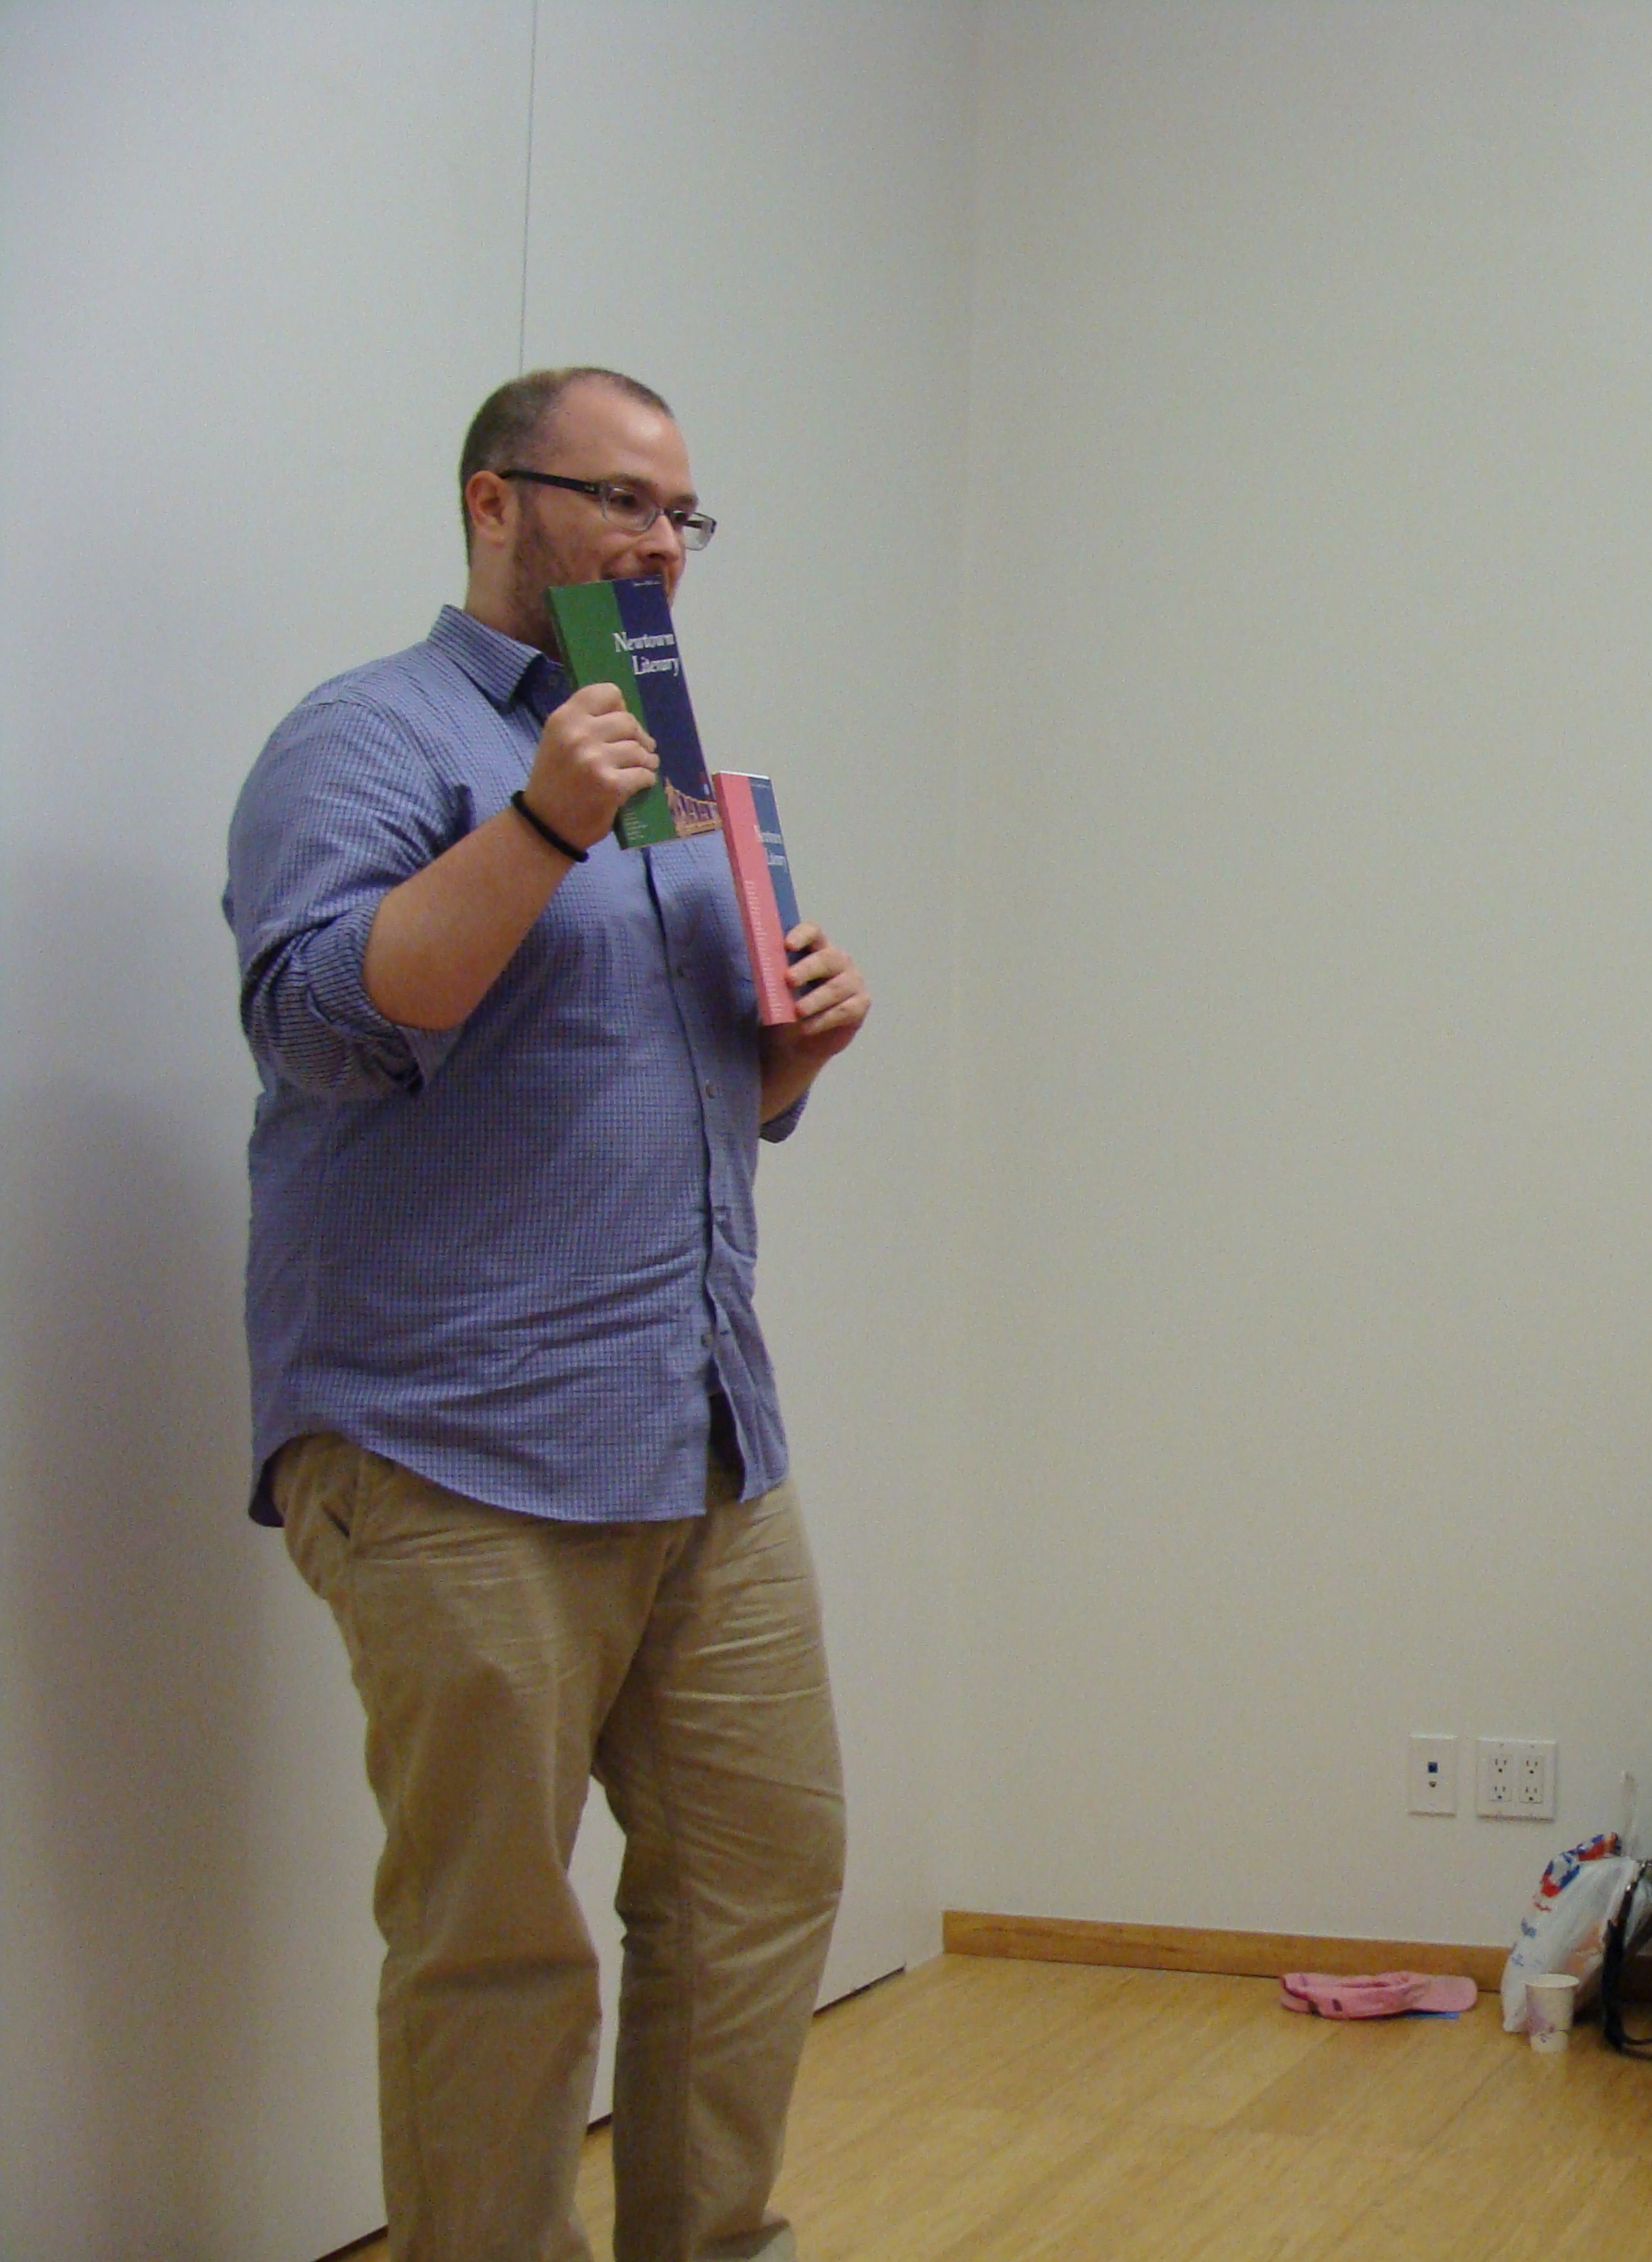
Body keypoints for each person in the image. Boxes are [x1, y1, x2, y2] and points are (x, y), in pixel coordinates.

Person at [225, 367, 872, 2262]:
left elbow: (661, 1087)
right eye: (617, 501)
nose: (658, 544)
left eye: (681, 514)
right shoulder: (364, 737)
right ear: (492, 501)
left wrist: (791, 1049)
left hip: (701, 1425)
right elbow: (328, 1028)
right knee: (495, 1938)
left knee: (760, 1880)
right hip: (454, 1441)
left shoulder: (670, 765)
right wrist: (536, 822)